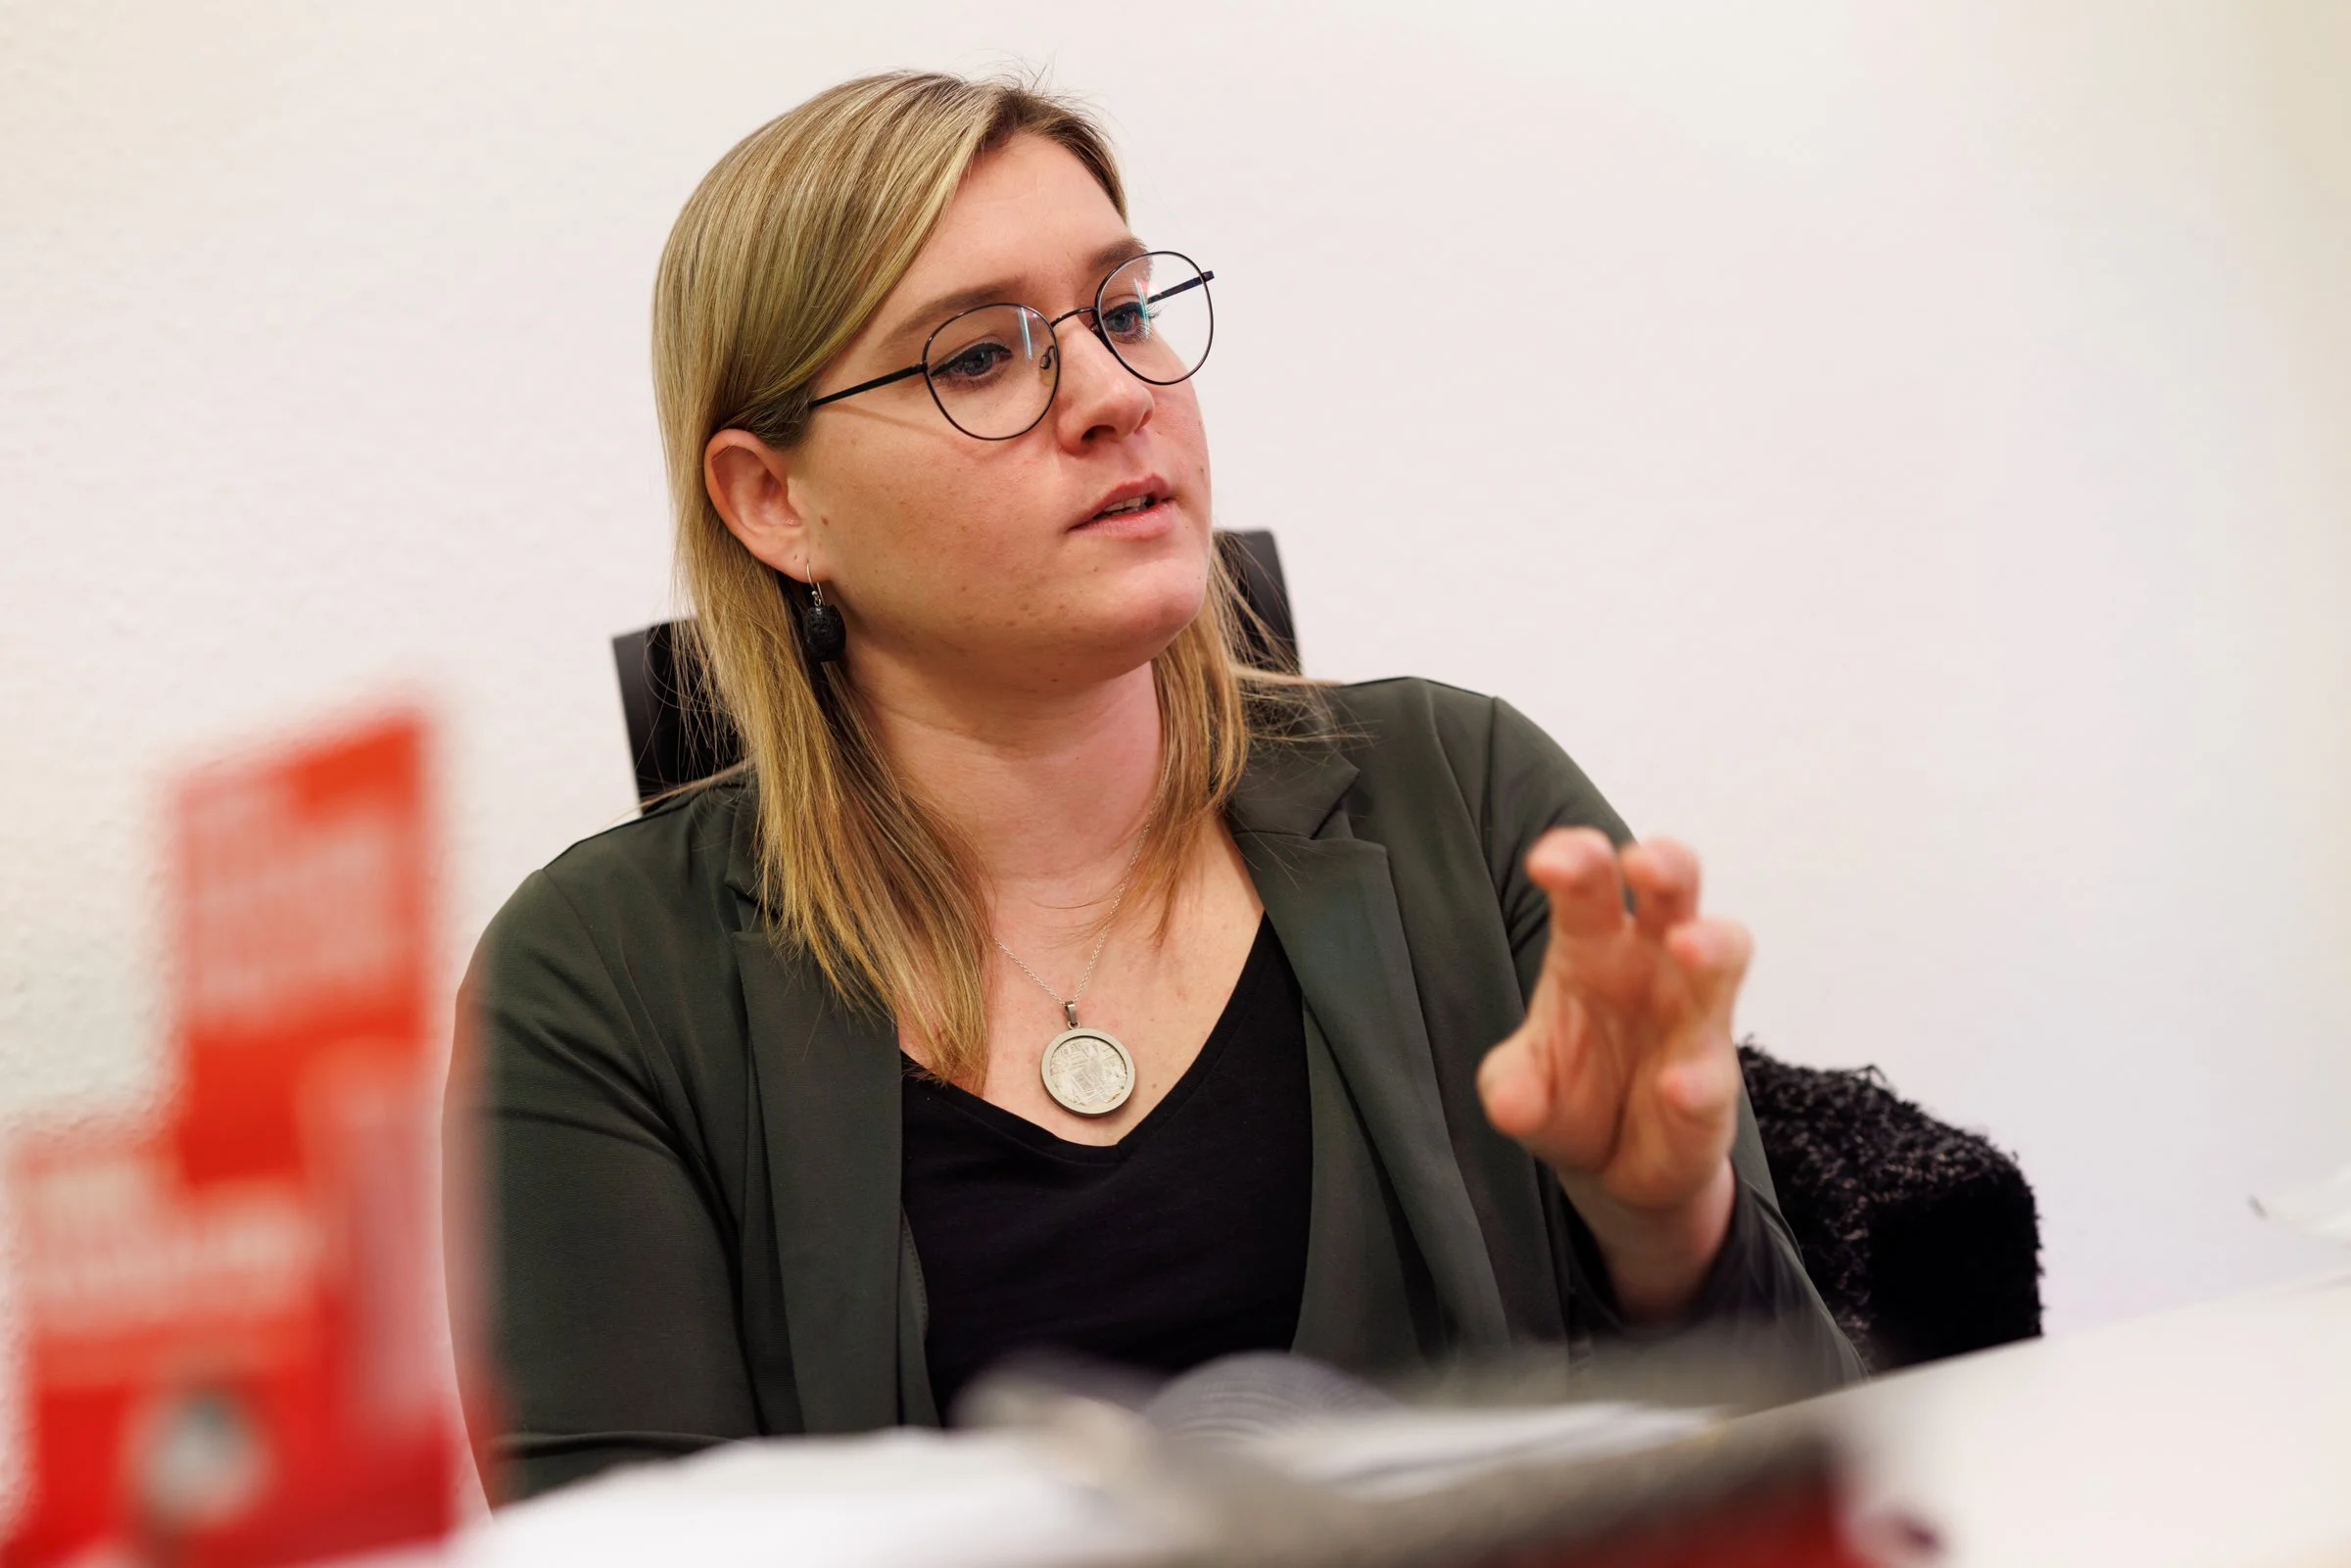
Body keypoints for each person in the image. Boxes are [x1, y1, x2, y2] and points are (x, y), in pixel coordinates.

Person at [451, 70, 1860, 1503]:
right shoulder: (597, 983)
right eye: (979, 358)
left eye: (1124, 313)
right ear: (774, 501)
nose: (1118, 395)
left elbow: (1812, 1497)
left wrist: (1669, 1229)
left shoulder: (1472, 794)